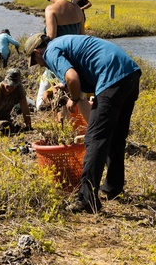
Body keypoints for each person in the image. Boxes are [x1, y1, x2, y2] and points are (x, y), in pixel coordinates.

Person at [24, 33, 141, 214]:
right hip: (130, 75)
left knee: (94, 139)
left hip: (112, 78)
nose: (40, 64)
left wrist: (74, 97)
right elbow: (78, 71)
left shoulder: (50, 52)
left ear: (37, 52)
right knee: (116, 136)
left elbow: (72, 77)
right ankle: (113, 187)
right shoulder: (63, 42)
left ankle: (87, 198)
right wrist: (65, 87)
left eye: (35, 60)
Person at [0, 68, 32, 133]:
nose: (9, 87)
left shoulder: (19, 89)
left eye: (12, 85)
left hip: (3, 119)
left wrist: (28, 127)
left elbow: (25, 109)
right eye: (8, 84)